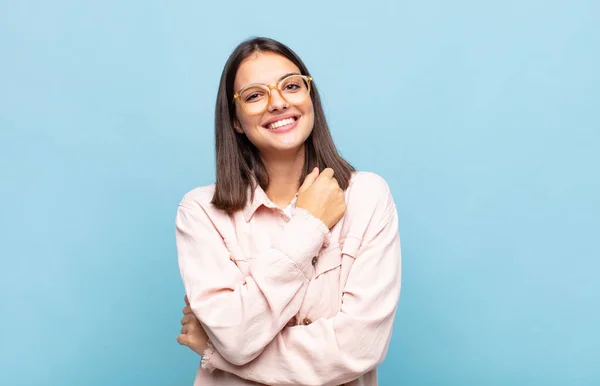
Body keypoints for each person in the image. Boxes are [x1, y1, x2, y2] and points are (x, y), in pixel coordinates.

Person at [174, 36, 402, 386]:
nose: (278, 102)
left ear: (309, 97)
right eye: (254, 95)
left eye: (291, 86)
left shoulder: (367, 196)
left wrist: (217, 352)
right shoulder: (201, 212)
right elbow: (234, 337)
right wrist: (309, 227)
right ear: (235, 120)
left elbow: (357, 350)